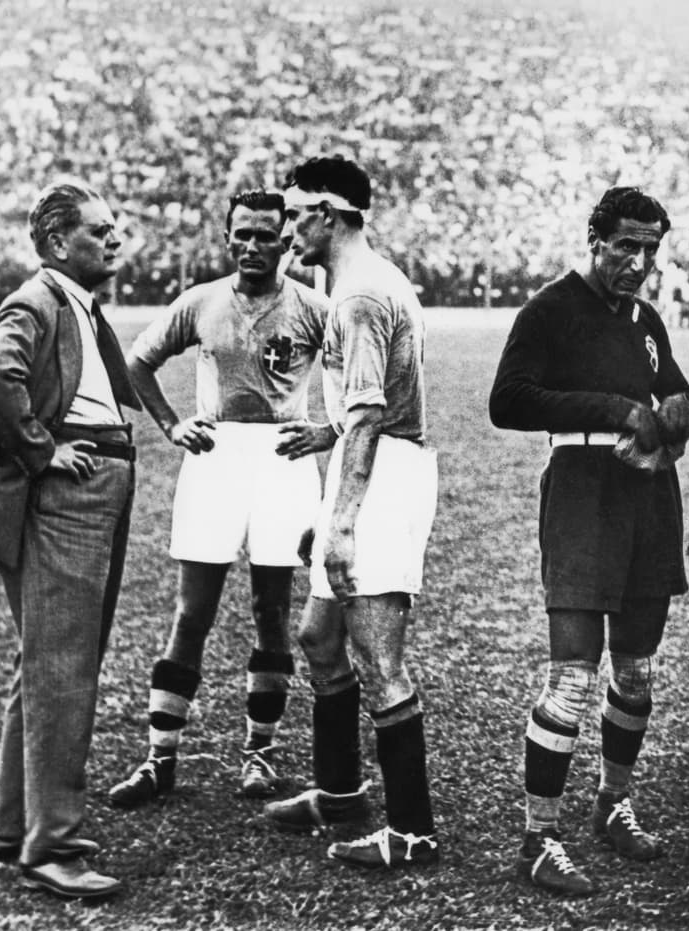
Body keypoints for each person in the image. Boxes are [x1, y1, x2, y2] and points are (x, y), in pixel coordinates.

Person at [489, 186, 689, 897]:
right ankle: (538, 837)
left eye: (650, 249)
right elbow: (508, 400)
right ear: (594, 239)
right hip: (581, 490)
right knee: (573, 676)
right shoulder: (549, 310)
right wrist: (613, 407)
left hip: (648, 496)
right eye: (626, 247)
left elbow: (683, 394)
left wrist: (677, 415)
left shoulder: (646, 318)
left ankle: (613, 800)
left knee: (636, 668)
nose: (639, 262)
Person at [106, 190, 332, 809]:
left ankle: (258, 752)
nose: (253, 246)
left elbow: (357, 379)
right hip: (215, 455)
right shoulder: (201, 302)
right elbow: (137, 363)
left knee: (271, 608)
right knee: (192, 611)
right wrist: (173, 425)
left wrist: (326, 429)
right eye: (243, 235)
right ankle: (160, 757)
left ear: (287, 240)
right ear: (227, 238)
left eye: (266, 235)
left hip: (285, 458)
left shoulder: (314, 307)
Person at [0, 180, 141, 899]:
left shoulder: (75, 304)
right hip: (70, 492)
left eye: (115, 226)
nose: (116, 238)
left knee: (46, 660)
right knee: (65, 670)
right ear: (61, 243)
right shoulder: (39, 298)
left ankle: (13, 823)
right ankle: (52, 846)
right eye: (101, 230)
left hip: (91, 487)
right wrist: (41, 451)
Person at [261, 155, 441, 874]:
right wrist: (327, 438)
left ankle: (413, 832)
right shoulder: (358, 285)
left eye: (295, 212)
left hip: (385, 473)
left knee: (377, 654)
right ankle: (340, 792)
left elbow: (372, 414)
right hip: (366, 461)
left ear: (327, 216)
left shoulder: (363, 294)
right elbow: (362, 406)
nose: (286, 227)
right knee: (318, 633)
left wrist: (340, 519)